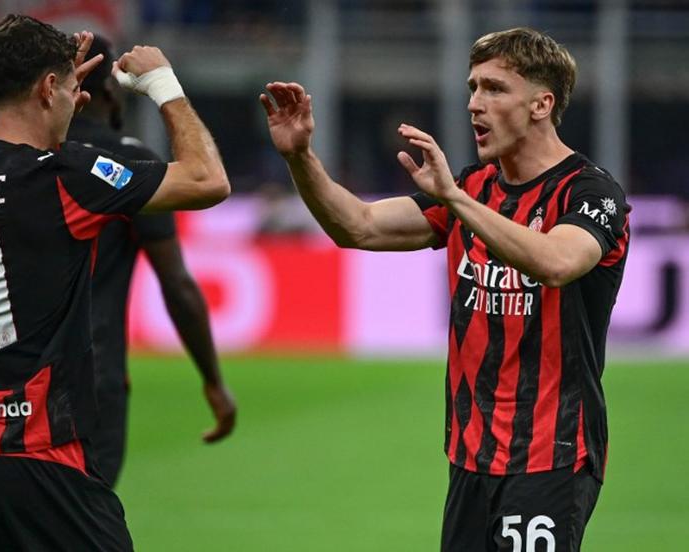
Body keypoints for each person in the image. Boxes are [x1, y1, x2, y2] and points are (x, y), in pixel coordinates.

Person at [261, 27, 629, 551]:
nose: (475, 104)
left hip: (551, 455)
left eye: (494, 89)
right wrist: (300, 156)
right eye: (472, 89)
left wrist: (454, 200)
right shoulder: (474, 188)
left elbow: (557, 261)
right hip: (470, 456)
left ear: (541, 104)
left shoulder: (591, 191)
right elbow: (359, 225)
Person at [0, 14, 229, 551]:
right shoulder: (68, 178)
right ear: (46, 89)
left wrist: (51, 105)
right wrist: (164, 84)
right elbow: (207, 179)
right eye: (65, 86)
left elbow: (6, 157)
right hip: (40, 455)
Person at [67, 35, 236, 487]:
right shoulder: (124, 161)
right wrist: (213, 382)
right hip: (91, 379)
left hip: (2, 388)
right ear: (103, 91)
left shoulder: (4, 161)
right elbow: (176, 283)